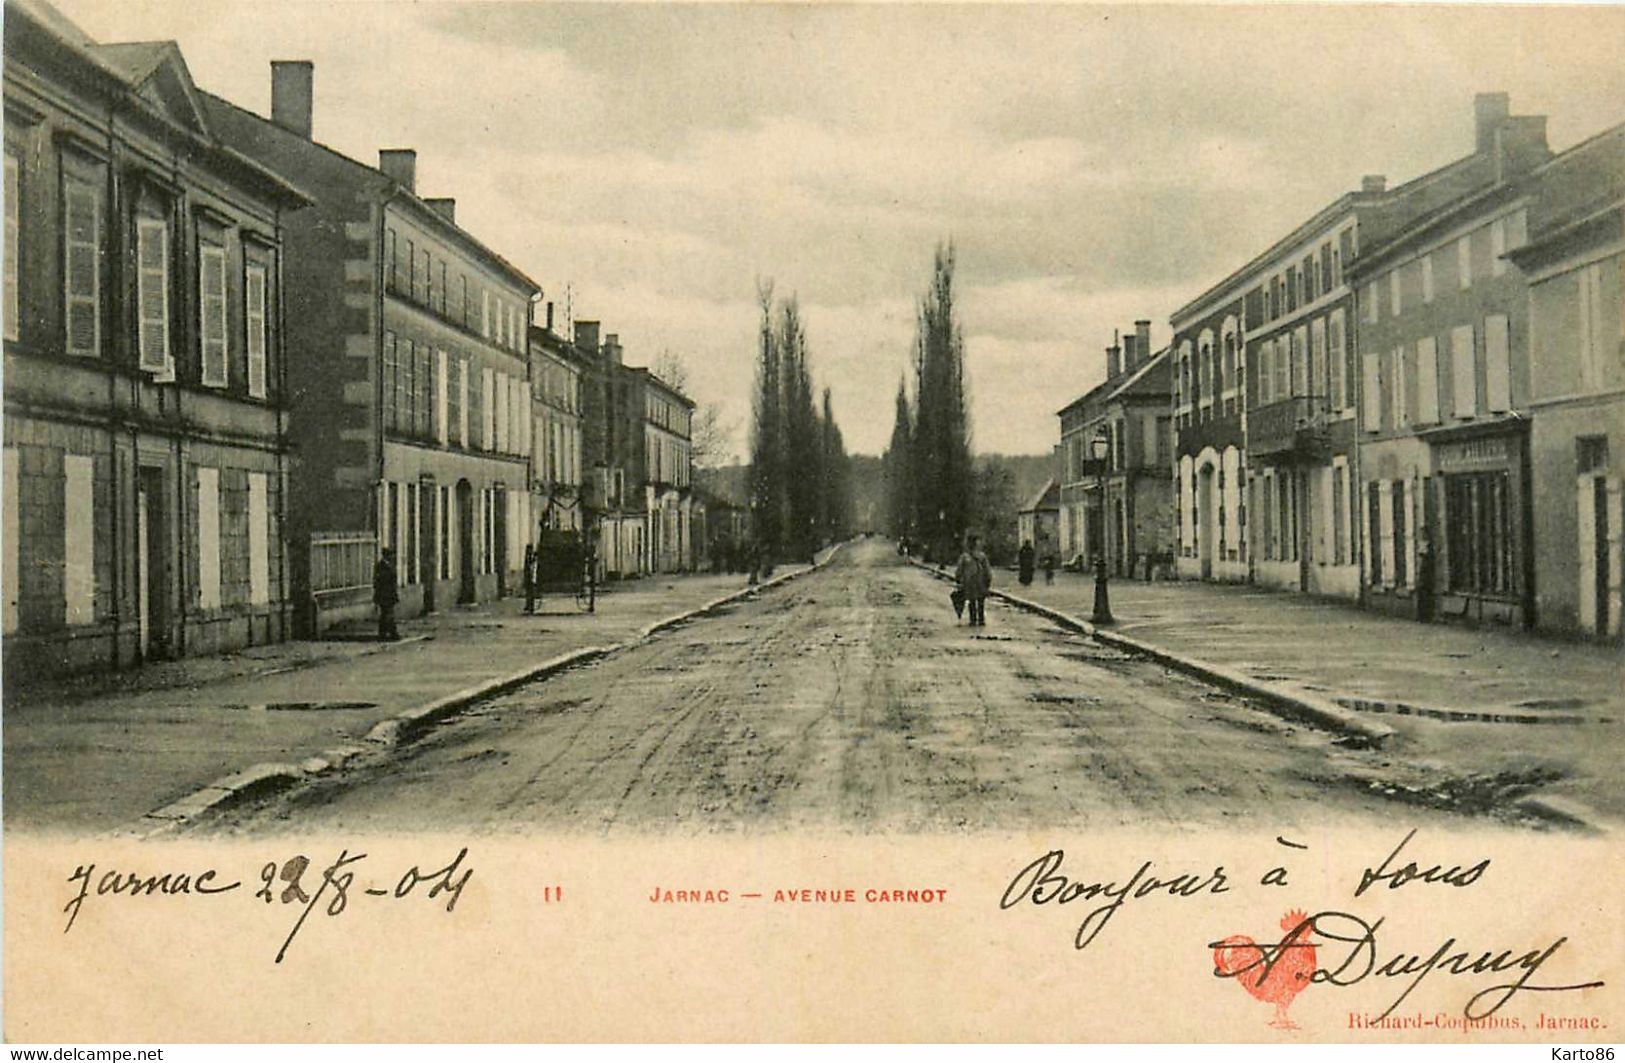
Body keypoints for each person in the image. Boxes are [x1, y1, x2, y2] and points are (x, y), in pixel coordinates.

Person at [955, 534, 993, 627]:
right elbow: (987, 570)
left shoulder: (967, 557)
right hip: (976, 582)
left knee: (976, 601)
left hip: (974, 582)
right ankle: (979, 619)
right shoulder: (979, 556)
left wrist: (959, 580)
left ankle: (976, 619)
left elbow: (959, 570)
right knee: (977, 601)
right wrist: (988, 580)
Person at [373, 547, 400, 641]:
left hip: (389, 594)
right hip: (384, 594)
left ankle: (388, 634)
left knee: (387, 614)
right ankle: (388, 634)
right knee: (387, 615)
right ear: (386, 555)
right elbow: (379, 582)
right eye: (390, 555)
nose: (392, 557)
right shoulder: (381, 566)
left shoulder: (389, 565)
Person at [522, 543, 538, 614]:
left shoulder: (529, 557)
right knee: (530, 593)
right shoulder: (529, 558)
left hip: (530, 577)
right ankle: (529, 606)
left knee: (530, 593)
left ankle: (530, 606)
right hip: (529, 577)